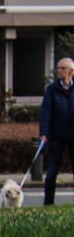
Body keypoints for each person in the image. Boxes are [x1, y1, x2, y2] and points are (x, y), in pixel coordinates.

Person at [40, 57, 74, 206]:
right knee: (52, 172)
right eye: (58, 68)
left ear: (71, 71)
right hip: (56, 136)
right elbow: (46, 113)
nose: (59, 71)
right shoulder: (52, 89)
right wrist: (44, 133)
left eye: (63, 68)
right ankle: (48, 204)